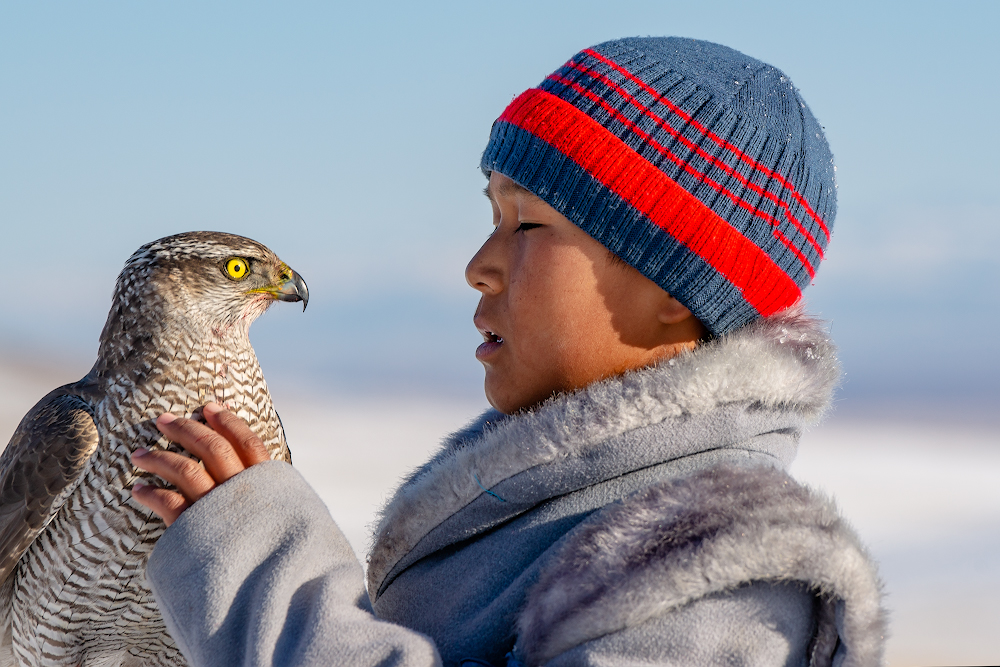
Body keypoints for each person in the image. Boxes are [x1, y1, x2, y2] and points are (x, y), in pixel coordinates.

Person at [132, 36, 887, 666]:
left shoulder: (720, 575)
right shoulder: (549, 508)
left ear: (676, 290)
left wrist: (273, 582)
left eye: (526, 225)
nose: (478, 265)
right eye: (491, 215)